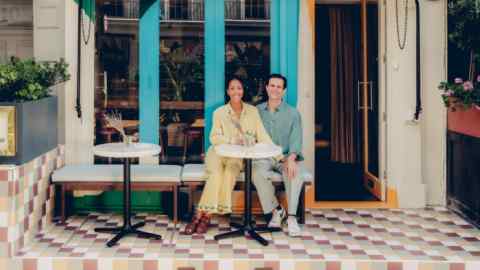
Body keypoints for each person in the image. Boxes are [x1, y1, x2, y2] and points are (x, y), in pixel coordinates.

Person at [184, 76, 274, 235]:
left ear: (243, 90)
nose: (236, 91)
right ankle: (201, 216)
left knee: (230, 173)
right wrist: (232, 139)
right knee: (216, 175)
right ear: (227, 91)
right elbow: (214, 137)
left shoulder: (252, 112)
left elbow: (263, 135)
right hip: (217, 152)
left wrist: (279, 155)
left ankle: (204, 215)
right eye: (232, 88)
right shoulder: (219, 112)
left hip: (236, 157)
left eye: (238, 88)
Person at [252, 73, 305, 237]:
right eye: (272, 86)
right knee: (256, 173)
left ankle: (292, 218)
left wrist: (291, 159)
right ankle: (277, 211)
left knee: (294, 173)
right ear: (267, 88)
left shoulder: (293, 113)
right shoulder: (256, 111)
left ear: (283, 91)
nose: (275, 89)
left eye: (279, 87)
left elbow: (296, 141)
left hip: (285, 157)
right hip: (264, 157)